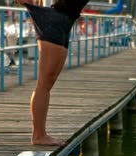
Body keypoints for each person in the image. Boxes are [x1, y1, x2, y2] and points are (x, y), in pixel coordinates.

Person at [17, 0, 89, 145]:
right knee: (43, 85)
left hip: (64, 22)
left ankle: (40, 134)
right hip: (54, 21)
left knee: (47, 84)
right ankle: (38, 136)